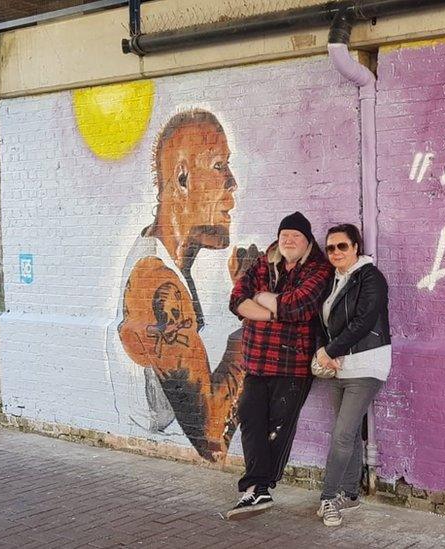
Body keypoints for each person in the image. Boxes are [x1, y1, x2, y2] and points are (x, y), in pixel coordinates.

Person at [114, 109, 259, 462]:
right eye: (219, 166)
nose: (233, 184)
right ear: (181, 180)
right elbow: (211, 437)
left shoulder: (168, 263)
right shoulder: (156, 281)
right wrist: (254, 315)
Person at [225, 211, 333, 520]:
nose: (288, 240)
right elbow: (236, 299)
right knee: (249, 416)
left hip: (292, 363)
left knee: (278, 427)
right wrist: (273, 311)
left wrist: (260, 298)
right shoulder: (263, 261)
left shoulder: (318, 268)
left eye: (296, 236)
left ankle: (259, 487)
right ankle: (257, 488)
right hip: (256, 360)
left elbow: (299, 305)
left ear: (307, 240)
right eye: (285, 234)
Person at [314, 223, 391, 527]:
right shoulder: (332, 282)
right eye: (330, 247)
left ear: (356, 247)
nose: (335, 252)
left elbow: (364, 321)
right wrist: (324, 349)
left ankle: (329, 497)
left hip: (367, 364)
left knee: (342, 434)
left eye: (341, 246)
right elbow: (318, 324)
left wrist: (328, 351)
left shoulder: (371, 278)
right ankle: (350, 493)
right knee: (348, 432)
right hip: (338, 367)